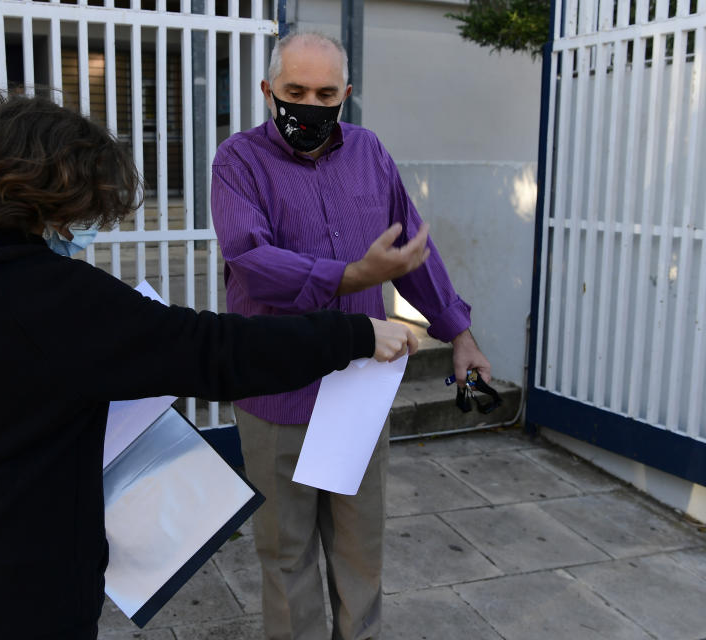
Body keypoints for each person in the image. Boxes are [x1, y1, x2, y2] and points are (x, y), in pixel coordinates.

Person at [0, 89, 423, 640]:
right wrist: (353, 332)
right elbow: (217, 352)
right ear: (59, 197)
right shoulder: (53, 297)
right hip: (25, 591)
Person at [210, 32, 492, 640]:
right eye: (294, 92)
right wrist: (352, 276)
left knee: (359, 551)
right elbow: (251, 261)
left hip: (355, 391)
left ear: (347, 95)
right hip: (275, 390)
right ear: (267, 91)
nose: (309, 104)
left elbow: (412, 249)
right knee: (286, 556)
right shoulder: (238, 162)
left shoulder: (370, 154)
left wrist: (459, 332)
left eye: (325, 93)